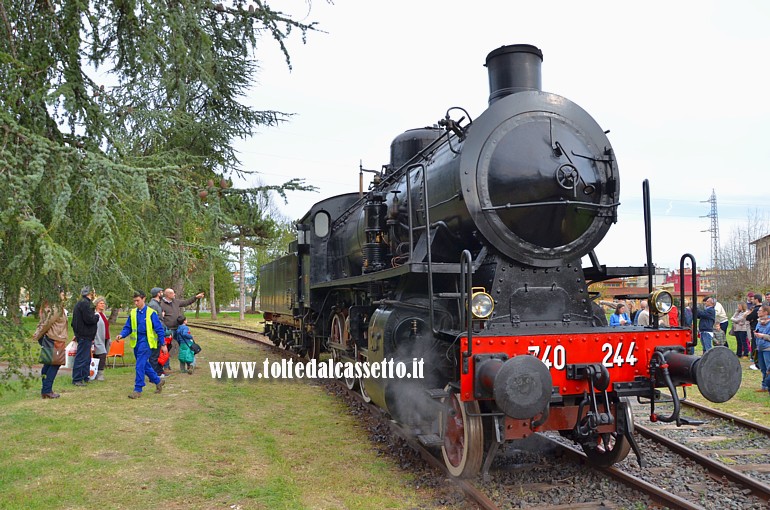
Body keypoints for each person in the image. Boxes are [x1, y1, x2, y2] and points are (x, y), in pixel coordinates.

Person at [115, 290, 166, 399]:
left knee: (139, 365)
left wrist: (163, 344)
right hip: (136, 343)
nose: (136, 303)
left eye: (138, 300)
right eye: (134, 301)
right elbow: (128, 327)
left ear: (144, 299)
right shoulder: (133, 313)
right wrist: (121, 335)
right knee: (144, 365)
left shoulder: (151, 313)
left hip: (147, 342)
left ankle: (138, 389)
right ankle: (158, 381)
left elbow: (159, 329)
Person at [32, 289, 69, 399]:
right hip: (55, 338)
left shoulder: (50, 306)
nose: (64, 296)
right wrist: (38, 335)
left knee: (48, 363)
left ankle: (45, 389)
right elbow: (47, 323)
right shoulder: (56, 307)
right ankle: (47, 390)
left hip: (52, 337)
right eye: (63, 294)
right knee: (55, 364)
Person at [71, 286, 99, 386]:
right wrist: (96, 316)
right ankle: (77, 378)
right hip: (85, 334)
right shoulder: (85, 304)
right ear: (90, 294)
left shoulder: (80, 303)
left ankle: (84, 376)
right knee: (82, 357)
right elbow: (89, 319)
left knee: (86, 357)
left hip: (82, 334)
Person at [147, 287, 167, 377]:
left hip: (158, 332)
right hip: (154, 335)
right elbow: (155, 320)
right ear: (158, 294)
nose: (162, 293)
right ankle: (154, 374)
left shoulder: (157, 304)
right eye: (161, 292)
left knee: (157, 354)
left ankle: (158, 371)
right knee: (154, 355)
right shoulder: (153, 305)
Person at [92, 297, 110, 381]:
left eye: (103, 303)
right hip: (97, 338)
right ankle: (99, 374)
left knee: (100, 355)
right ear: (96, 304)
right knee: (101, 354)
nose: (103, 305)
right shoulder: (95, 314)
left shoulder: (104, 315)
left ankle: (95, 373)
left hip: (105, 338)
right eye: (101, 303)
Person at [753, 305, 770, 393]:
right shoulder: (759, 322)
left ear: (765, 312)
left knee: (768, 368)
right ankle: (764, 386)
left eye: (760, 310)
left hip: (768, 348)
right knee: (762, 368)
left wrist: (763, 336)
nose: (757, 312)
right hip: (760, 347)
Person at [746, 293, 762, 370]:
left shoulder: (756, 309)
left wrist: (750, 316)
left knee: (755, 344)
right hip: (757, 327)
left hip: (755, 327)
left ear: (756, 300)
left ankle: (755, 359)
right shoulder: (761, 308)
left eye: (754, 299)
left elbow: (749, 317)